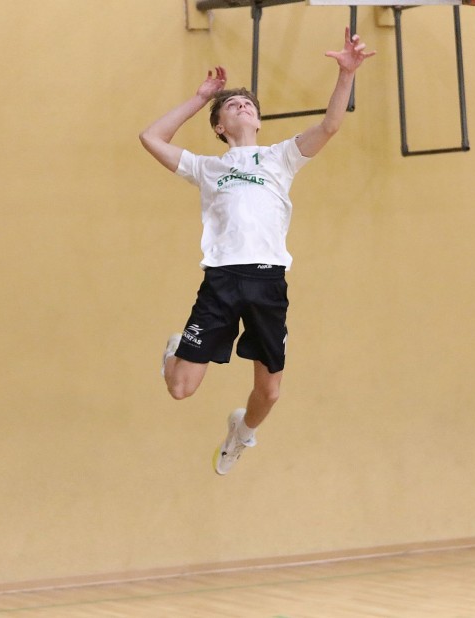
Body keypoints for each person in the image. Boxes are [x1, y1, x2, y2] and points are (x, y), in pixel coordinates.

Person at [139, 27, 374, 476]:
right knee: (181, 388)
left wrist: (346, 73)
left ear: (259, 121)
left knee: (269, 393)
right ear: (219, 127)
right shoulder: (207, 168)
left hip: (268, 281)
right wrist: (199, 97)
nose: (242, 106)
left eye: (248, 104)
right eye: (231, 105)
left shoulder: (280, 158)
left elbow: (330, 125)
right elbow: (151, 137)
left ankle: (241, 434)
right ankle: (176, 351)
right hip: (222, 281)